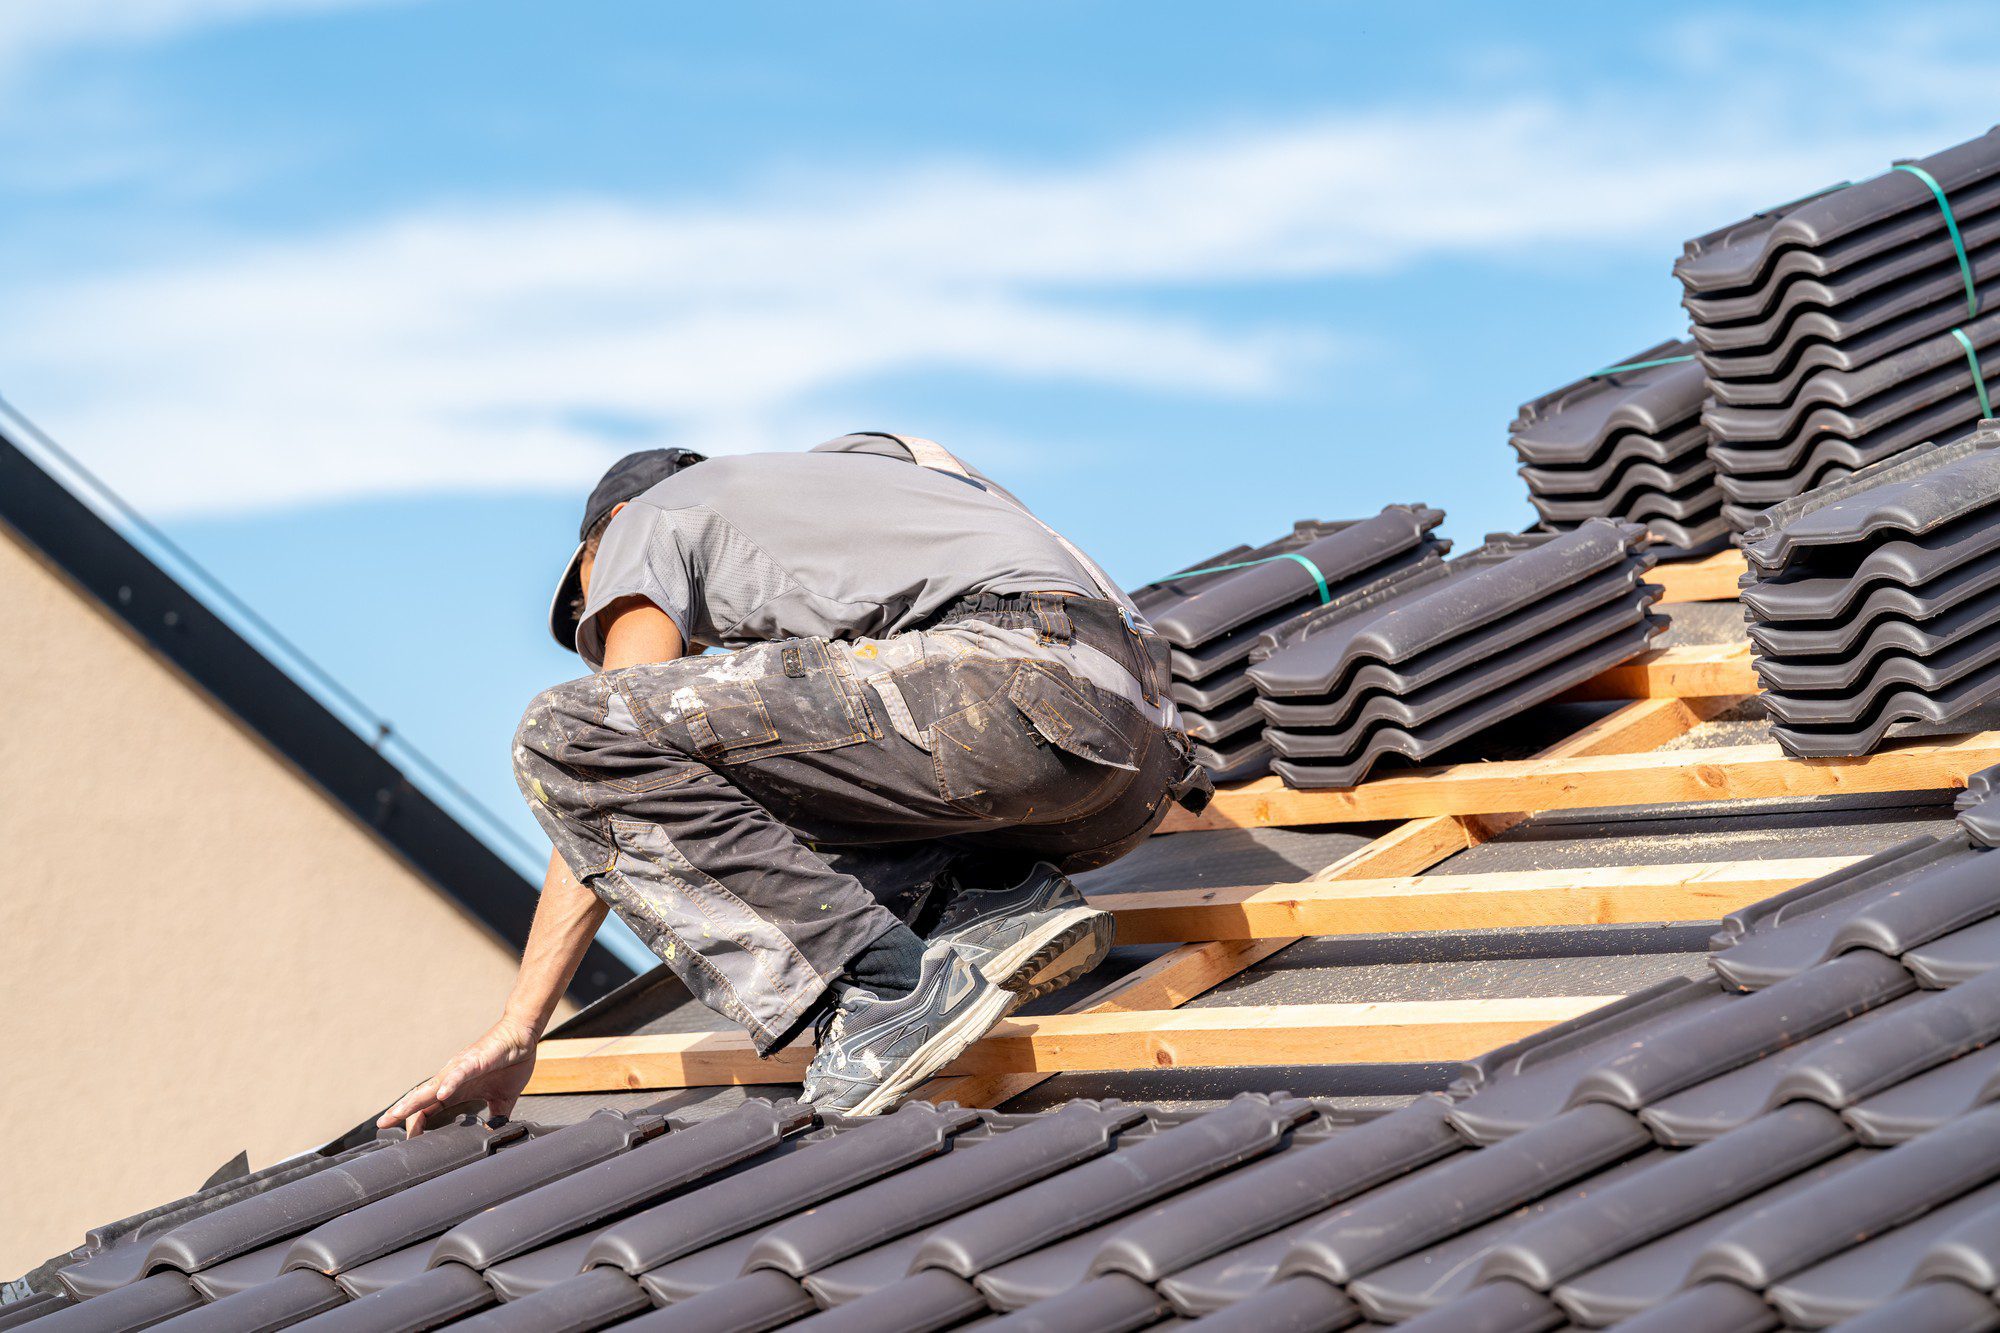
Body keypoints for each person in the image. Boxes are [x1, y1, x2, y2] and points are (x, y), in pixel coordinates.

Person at [380, 432, 1209, 1128]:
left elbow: (605, 752)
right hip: (1126, 769)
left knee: (571, 732)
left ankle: (886, 988)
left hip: (1015, 689)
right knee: (752, 739)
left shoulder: (653, 519)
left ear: (611, 530)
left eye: (593, 597)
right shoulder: (863, 484)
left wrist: (519, 1024)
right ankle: (986, 900)